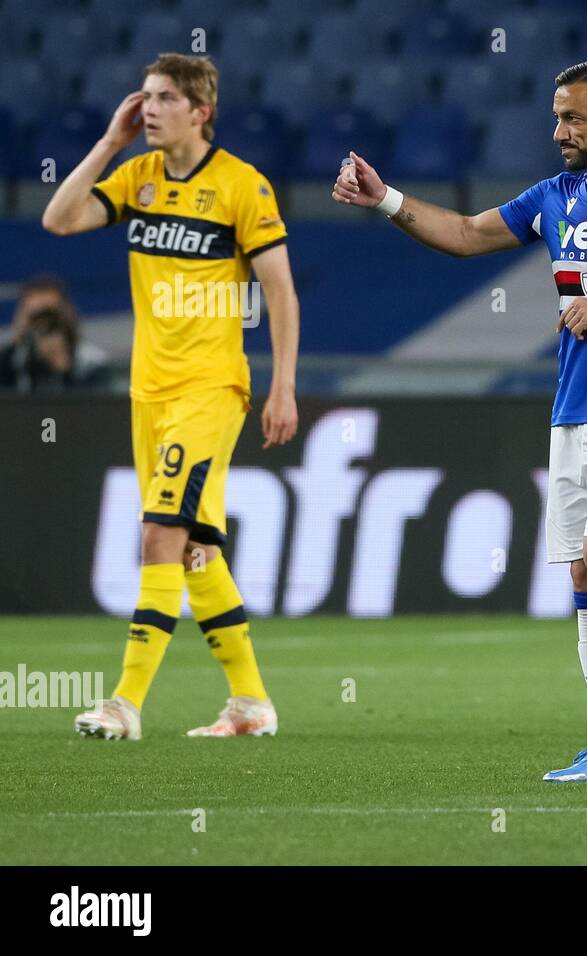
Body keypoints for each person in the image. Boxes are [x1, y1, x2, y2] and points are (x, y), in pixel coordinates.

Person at [333, 59, 587, 780]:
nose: (558, 132)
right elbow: (461, 232)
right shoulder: (556, 197)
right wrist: (386, 198)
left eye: (572, 118)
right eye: (555, 117)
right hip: (573, 413)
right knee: (584, 580)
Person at [42, 53, 301, 740]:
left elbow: (279, 290)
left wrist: (283, 386)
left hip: (211, 387)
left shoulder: (243, 186)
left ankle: (123, 704)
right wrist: (109, 143)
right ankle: (250, 703)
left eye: (162, 98)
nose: (148, 107)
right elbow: (59, 220)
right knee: (194, 551)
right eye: (145, 97)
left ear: (200, 111)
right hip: (148, 391)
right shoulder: (140, 177)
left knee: (160, 534)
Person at [5, 274, 110, 389]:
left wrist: (64, 369)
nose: (43, 324)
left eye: (49, 315)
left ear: (67, 315)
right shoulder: (9, 362)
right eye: (36, 316)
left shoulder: (91, 362)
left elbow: (96, 404)